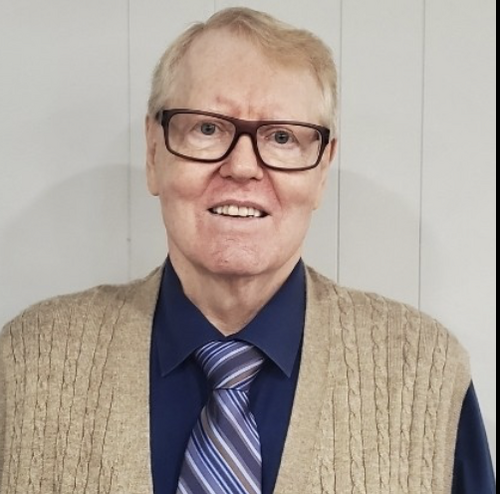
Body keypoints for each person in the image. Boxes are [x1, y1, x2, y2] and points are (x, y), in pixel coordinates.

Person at [0, 7, 495, 494]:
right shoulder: (28, 363)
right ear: (153, 153)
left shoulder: (426, 375)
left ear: (322, 170)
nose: (241, 167)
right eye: (207, 128)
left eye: (281, 137)